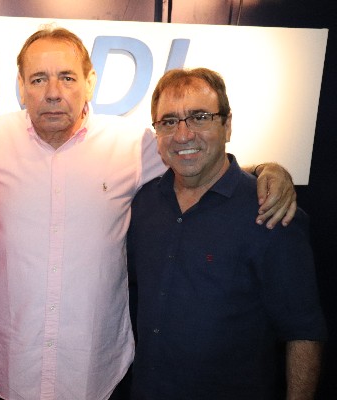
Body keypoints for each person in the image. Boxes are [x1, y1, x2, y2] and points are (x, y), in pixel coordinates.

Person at [0, 26, 297, 399]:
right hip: (5, 370)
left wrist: (266, 170)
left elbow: (196, 155)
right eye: (38, 79)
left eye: (67, 77)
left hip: (97, 371)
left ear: (90, 82)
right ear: (20, 86)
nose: (52, 92)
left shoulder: (133, 145)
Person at [126, 67, 326, 400]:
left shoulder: (271, 211)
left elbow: (304, 331)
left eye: (199, 117)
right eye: (169, 121)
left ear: (227, 125)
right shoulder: (143, 204)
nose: (183, 135)